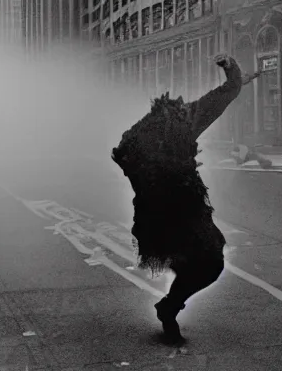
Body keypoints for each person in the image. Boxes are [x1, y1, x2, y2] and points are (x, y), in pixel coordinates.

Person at [111, 54, 260, 344]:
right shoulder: (172, 128)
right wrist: (232, 69)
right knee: (208, 261)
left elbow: (225, 93)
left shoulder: (144, 135)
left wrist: (234, 71)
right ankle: (170, 306)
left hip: (167, 215)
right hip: (171, 215)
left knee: (204, 261)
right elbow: (226, 92)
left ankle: (170, 306)